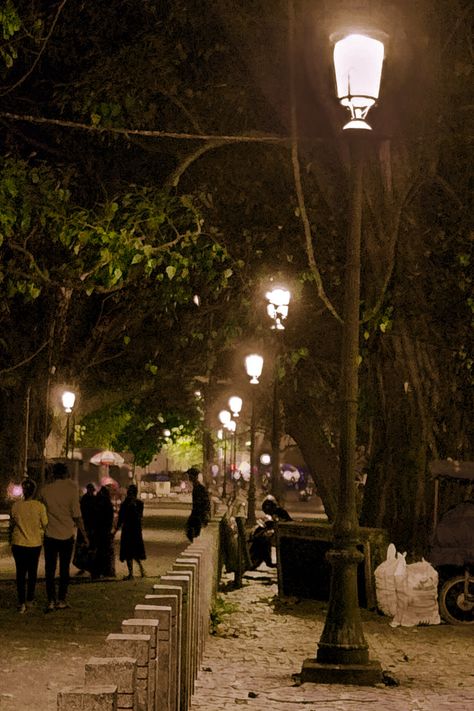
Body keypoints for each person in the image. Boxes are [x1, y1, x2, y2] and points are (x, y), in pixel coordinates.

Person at [40, 462, 89, 611]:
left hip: (50, 534)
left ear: (53, 473)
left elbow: (39, 507)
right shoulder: (72, 488)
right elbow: (77, 515)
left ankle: (50, 600)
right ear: (66, 473)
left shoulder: (46, 490)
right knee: (64, 569)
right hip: (67, 534)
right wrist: (84, 534)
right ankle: (62, 599)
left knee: (50, 569)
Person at [9, 478, 48, 613]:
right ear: (34, 491)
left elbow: (11, 525)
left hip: (18, 543)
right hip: (34, 544)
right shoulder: (39, 506)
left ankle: (21, 602)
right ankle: (30, 599)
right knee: (32, 573)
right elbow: (45, 525)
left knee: (20, 573)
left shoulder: (16, 506)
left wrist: (10, 541)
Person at [248, 496, 292, 569]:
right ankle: (258, 560)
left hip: (283, 535)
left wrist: (276, 524)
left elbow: (286, 523)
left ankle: (264, 561)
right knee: (262, 539)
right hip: (275, 533)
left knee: (264, 540)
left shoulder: (280, 512)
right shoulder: (272, 513)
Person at [114, 484, 146, 579]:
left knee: (129, 553)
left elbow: (121, 519)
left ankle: (133, 573)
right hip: (134, 531)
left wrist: (115, 530)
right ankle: (139, 570)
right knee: (133, 553)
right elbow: (139, 517)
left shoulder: (127, 504)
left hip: (129, 531)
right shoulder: (138, 504)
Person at [92, 485, 116, 578]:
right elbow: (110, 518)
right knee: (106, 551)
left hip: (98, 530)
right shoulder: (107, 503)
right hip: (105, 531)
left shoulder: (97, 503)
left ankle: (97, 571)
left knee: (98, 552)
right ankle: (106, 571)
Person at [73, 483, 96, 575]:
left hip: (88, 526)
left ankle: (87, 567)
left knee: (87, 547)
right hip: (87, 526)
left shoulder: (86, 499)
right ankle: (83, 566)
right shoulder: (87, 499)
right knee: (84, 547)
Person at [185, 467, 211, 542]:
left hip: (199, 514)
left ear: (194, 477)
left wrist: (205, 513)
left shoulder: (200, 488)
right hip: (197, 513)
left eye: (190, 476)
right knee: (191, 530)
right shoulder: (197, 487)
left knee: (193, 531)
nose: (189, 477)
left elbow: (205, 502)